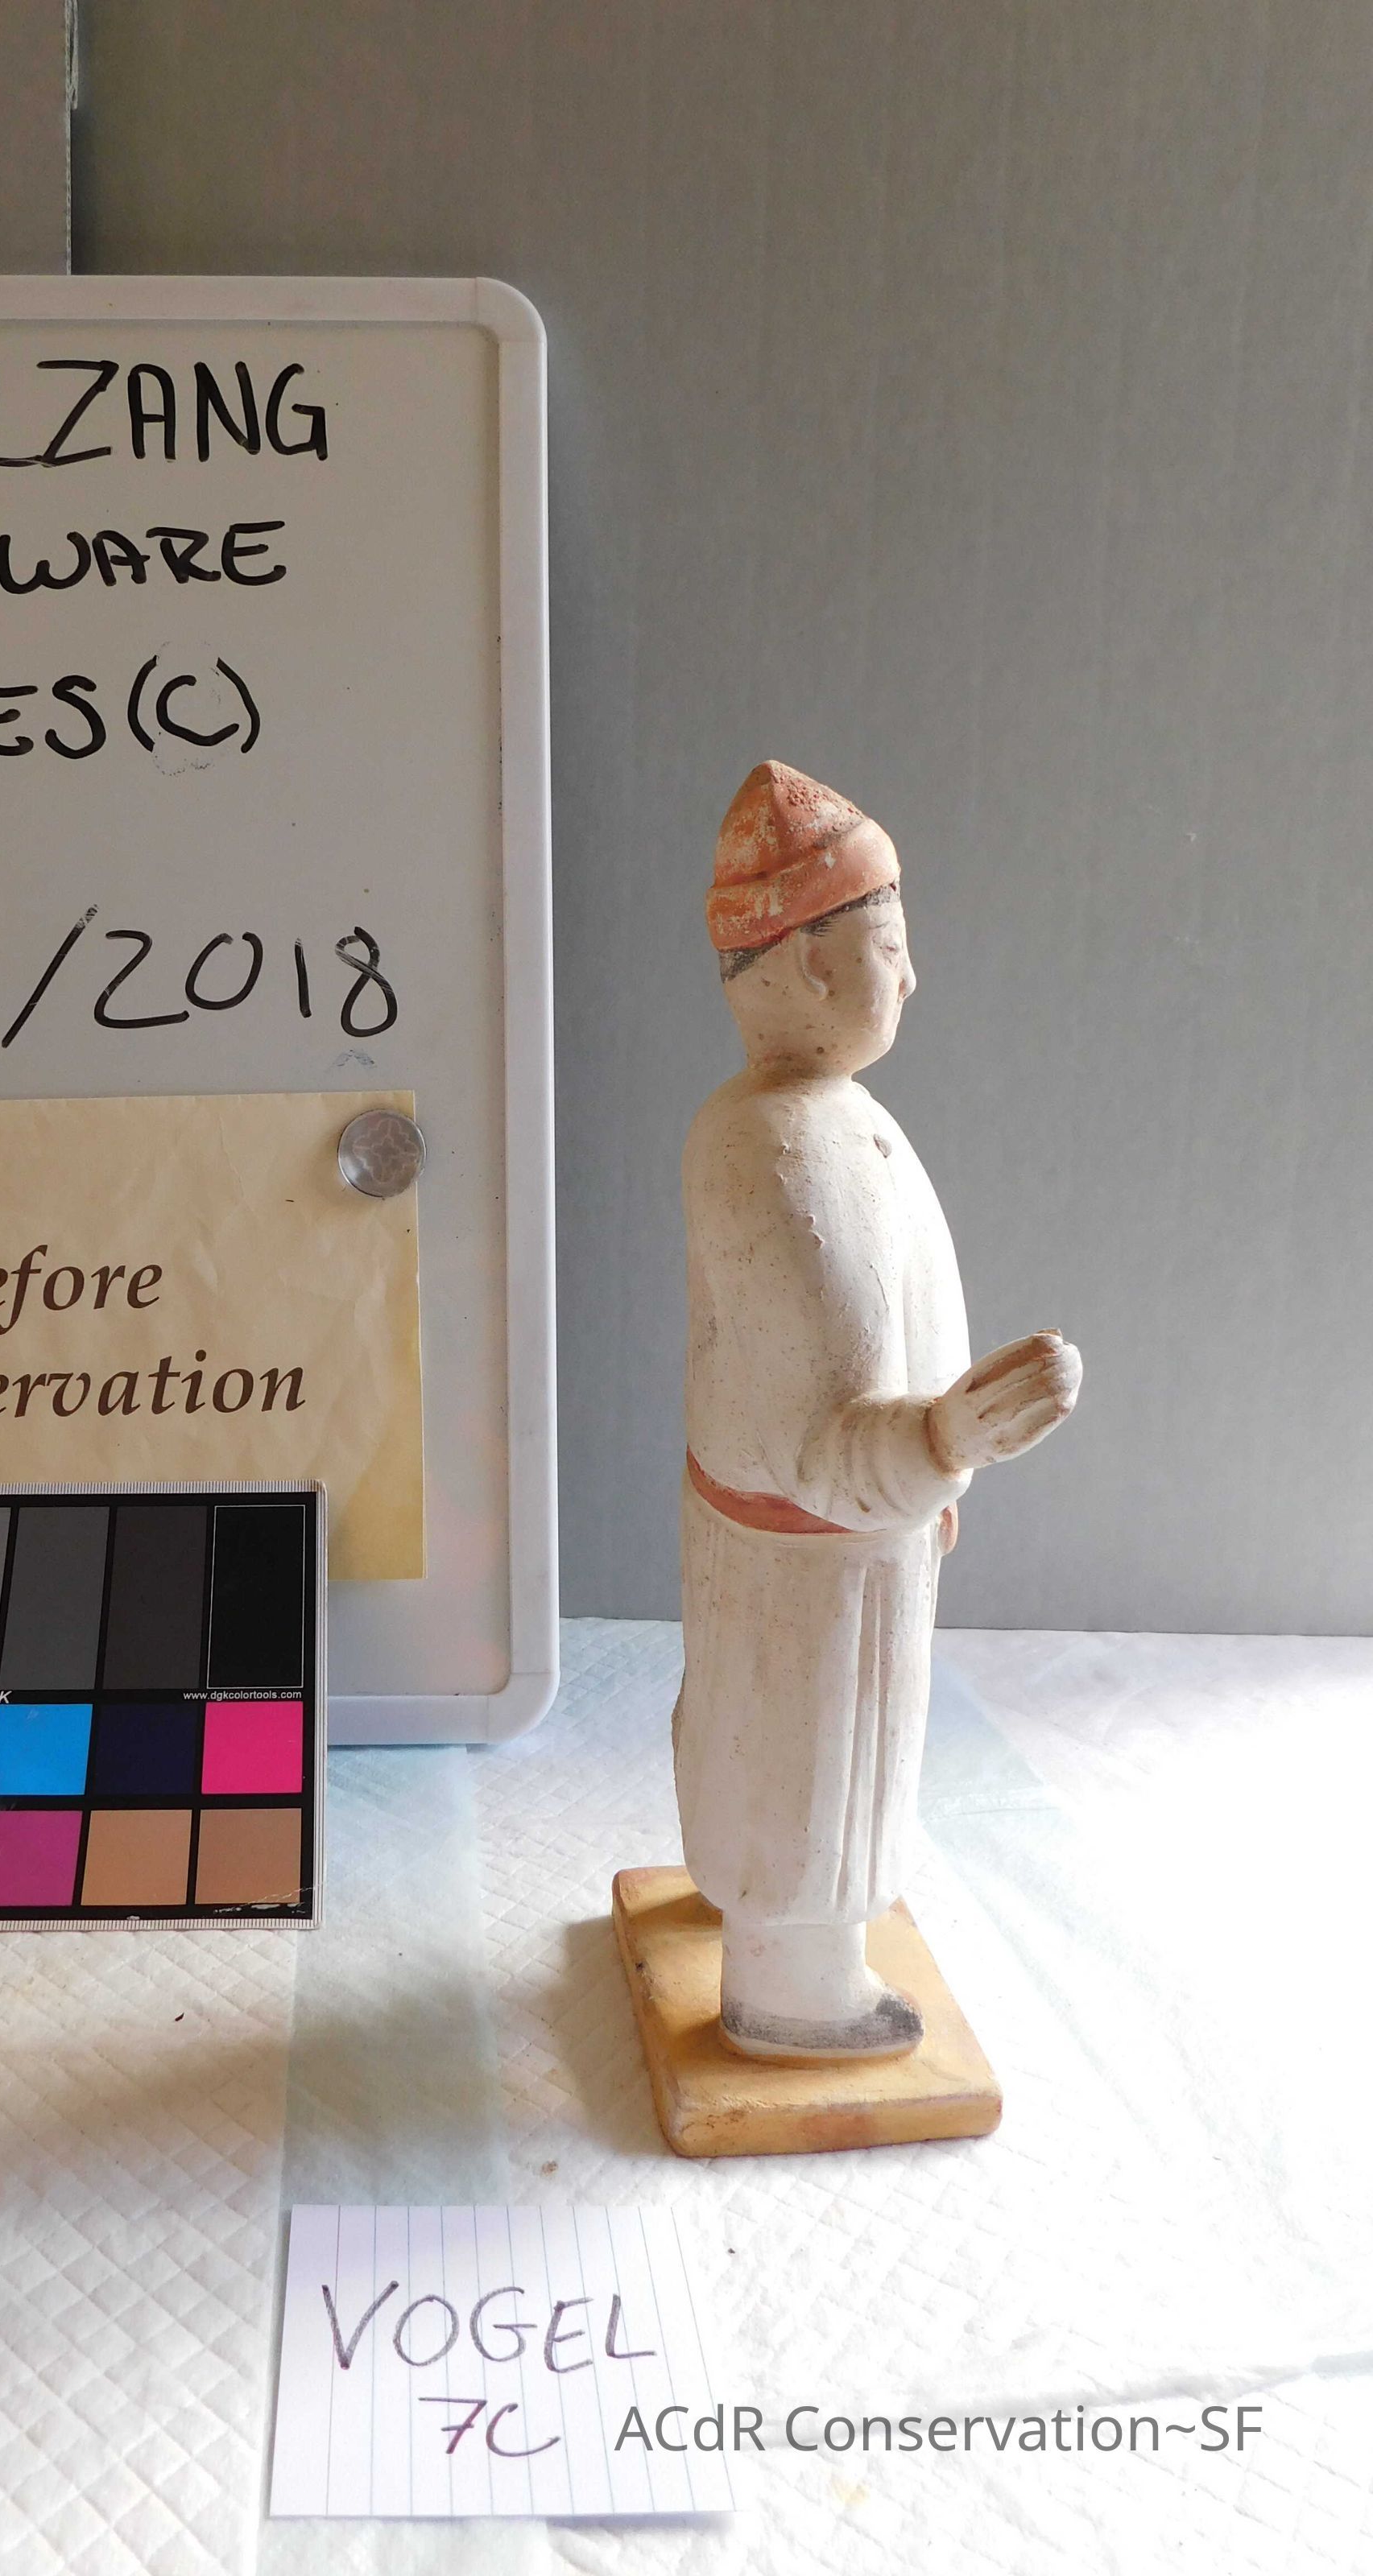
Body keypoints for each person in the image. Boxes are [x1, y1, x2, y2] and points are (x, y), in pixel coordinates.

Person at [677, 760, 1081, 2060]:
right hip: (818, 1568)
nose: (910, 979)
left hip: (841, 1548)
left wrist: (937, 1458)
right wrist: (947, 1440)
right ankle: (792, 1991)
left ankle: (769, 1929)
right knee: (808, 1786)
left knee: (778, 1755)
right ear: (806, 964)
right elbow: (818, 1442)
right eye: (889, 948)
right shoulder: (781, 1151)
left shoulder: (801, 1122)